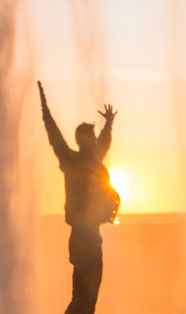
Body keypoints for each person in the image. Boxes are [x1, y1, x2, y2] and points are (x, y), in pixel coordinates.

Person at [38, 80, 119, 314]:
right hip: (82, 238)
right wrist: (45, 111)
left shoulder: (94, 160)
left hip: (94, 237)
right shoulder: (72, 161)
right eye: (91, 137)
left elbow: (104, 141)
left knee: (90, 301)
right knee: (82, 300)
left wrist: (109, 124)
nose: (95, 141)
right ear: (83, 141)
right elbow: (55, 137)